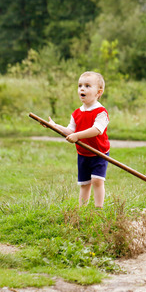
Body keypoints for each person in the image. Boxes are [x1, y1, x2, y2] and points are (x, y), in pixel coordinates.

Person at [48, 71, 110, 208]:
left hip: (99, 152)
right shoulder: (76, 113)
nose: (82, 88)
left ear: (99, 92)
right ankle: (82, 210)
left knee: (97, 180)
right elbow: (70, 131)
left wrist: (77, 135)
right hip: (83, 154)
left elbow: (96, 130)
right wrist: (55, 126)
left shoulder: (101, 112)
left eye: (87, 86)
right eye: (80, 85)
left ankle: (99, 208)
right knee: (84, 183)